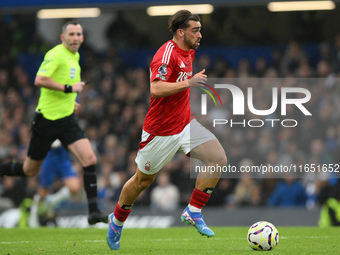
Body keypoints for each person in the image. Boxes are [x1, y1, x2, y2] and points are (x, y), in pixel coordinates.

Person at [106, 9, 227, 250]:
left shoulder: (190, 50)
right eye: (196, 30)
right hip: (160, 131)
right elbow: (156, 89)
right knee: (142, 181)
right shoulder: (166, 54)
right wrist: (189, 83)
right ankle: (117, 221)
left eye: (200, 29)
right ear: (181, 32)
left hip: (185, 123)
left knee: (218, 159)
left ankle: (193, 211)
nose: (200, 35)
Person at [0, 21, 107, 225]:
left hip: (66, 120)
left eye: (78, 34)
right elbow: (40, 80)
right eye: (71, 34)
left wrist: (70, 102)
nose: (75, 38)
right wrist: (68, 89)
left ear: (82, 38)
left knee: (89, 159)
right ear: (62, 37)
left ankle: (93, 212)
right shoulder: (55, 54)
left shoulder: (75, 57)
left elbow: (60, 90)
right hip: (46, 121)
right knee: (30, 170)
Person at [28, 140, 81, 227]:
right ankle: (32, 219)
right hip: (49, 158)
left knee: (75, 187)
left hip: (63, 158)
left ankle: (52, 202)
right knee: (42, 194)